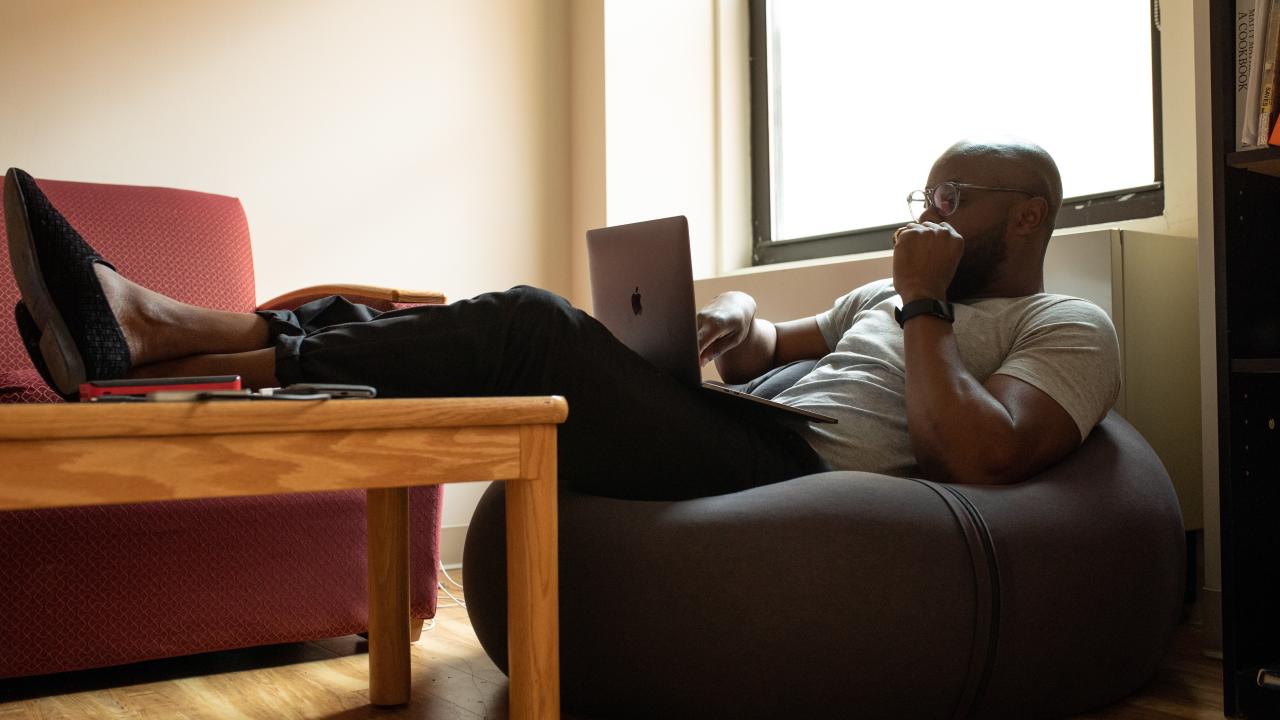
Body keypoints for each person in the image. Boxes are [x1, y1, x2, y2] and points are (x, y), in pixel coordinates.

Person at [4, 138, 1118, 500]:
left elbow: (973, 453)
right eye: (921, 196)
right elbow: (778, 347)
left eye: (949, 201)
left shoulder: (1064, 328)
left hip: (788, 471)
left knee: (528, 326)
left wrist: (920, 299)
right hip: (743, 421)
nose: (925, 215)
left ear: (1023, 217)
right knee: (434, 324)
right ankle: (159, 340)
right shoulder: (880, 297)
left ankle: (154, 332)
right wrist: (732, 317)